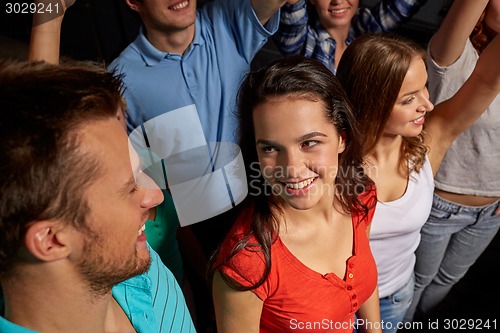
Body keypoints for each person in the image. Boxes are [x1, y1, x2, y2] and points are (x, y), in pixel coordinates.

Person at [0, 59, 196, 333]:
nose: (156, 196)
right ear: (51, 240)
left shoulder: (138, 265)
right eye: (130, 188)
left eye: (140, 174)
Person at [334, 29, 500, 332]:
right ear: (371, 102)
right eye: (410, 99)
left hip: (395, 296)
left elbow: (486, 80)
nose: (428, 104)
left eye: (425, 89)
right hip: (332, 303)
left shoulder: (428, 143)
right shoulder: (329, 159)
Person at [211, 56, 381, 333]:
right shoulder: (248, 262)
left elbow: (365, 280)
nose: (291, 169)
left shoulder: (361, 197)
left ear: (342, 138)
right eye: (270, 149)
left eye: (309, 142)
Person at [405, 0, 500, 320]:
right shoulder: (453, 54)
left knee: (447, 281)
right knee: (415, 281)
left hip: (491, 212)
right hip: (440, 204)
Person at [274, 0, 428, 73]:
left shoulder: (366, 29)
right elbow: (292, 17)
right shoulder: (304, 44)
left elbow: (403, 5)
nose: (338, 1)